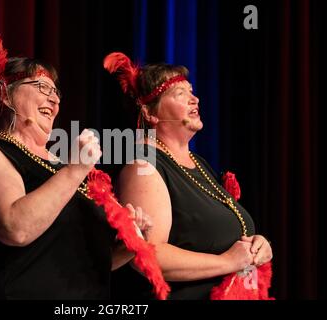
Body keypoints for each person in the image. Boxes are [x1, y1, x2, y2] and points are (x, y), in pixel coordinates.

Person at [0, 36, 151, 299]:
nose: (54, 100)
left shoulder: (62, 166)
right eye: (42, 87)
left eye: (56, 92)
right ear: (5, 94)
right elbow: (15, 228)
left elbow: (89, 263)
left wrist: (130, 245)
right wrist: (76, 170)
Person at [104, 52, 273, 300]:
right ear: (151, 114)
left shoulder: (199, 164)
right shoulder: (143, 167)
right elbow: (148, 255)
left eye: (191, 91)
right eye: (180, 94)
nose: (194, 99)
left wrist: (258, 246)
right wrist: (228, 262)